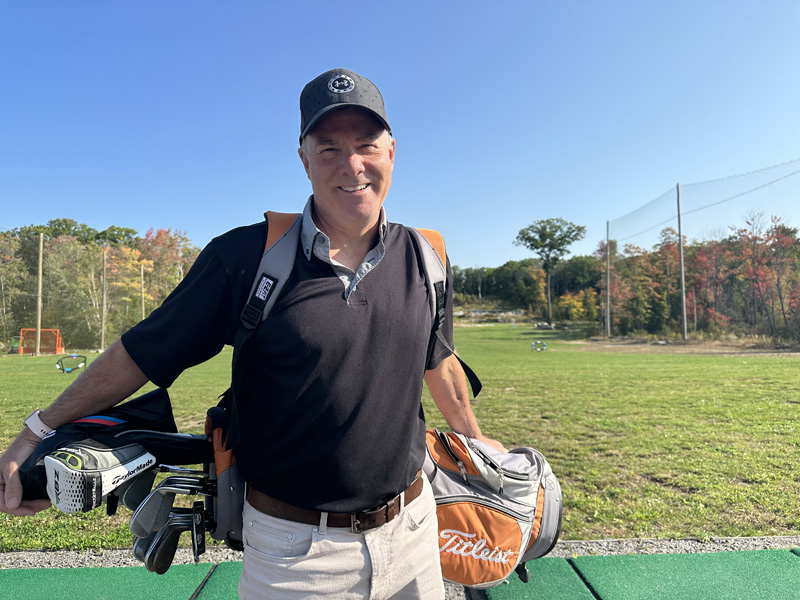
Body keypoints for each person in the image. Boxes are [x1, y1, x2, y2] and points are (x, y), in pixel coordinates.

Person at [0, 68, 504, 599]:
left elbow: (438, 357)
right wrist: (36, 431)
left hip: (414, 530)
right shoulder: (246, 257)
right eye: (328, 148)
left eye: (367, 145)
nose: (352, 165)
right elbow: (140, 354)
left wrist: (473, 441)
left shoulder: (429, 257)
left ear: (392, 151)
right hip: (295, 554)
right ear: (304, 160)